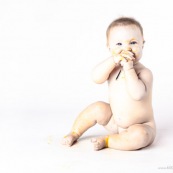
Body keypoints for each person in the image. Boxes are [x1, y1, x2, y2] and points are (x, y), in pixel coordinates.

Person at [61, 17, 156, 151]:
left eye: (133, 42)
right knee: (97, 108)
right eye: (119, 44)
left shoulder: (144, 73)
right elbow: (96, 78)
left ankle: (108, 140)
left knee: (141, 136)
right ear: (109, 47)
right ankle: (74, 132)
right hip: (115, 122)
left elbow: (138, 94)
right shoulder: (112, 67)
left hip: (141, 125)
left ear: (142, 44)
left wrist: (129, 69)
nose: (126, 48)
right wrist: (112, 61)